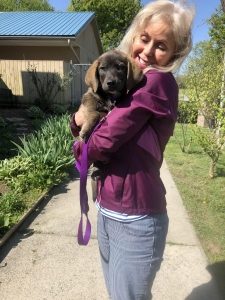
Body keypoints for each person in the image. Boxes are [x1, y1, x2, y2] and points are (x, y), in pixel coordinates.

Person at [71, 1, 195, 299]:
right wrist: (77, 123)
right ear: (135, 35)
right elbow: (83, 124)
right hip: (110, 208)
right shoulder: (129, 84)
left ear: (174, 54)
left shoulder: (154, 83)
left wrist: (81, 133)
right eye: (145, 38)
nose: (148, 51)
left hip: (137, 218)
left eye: (161, 45)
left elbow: (98, 145)